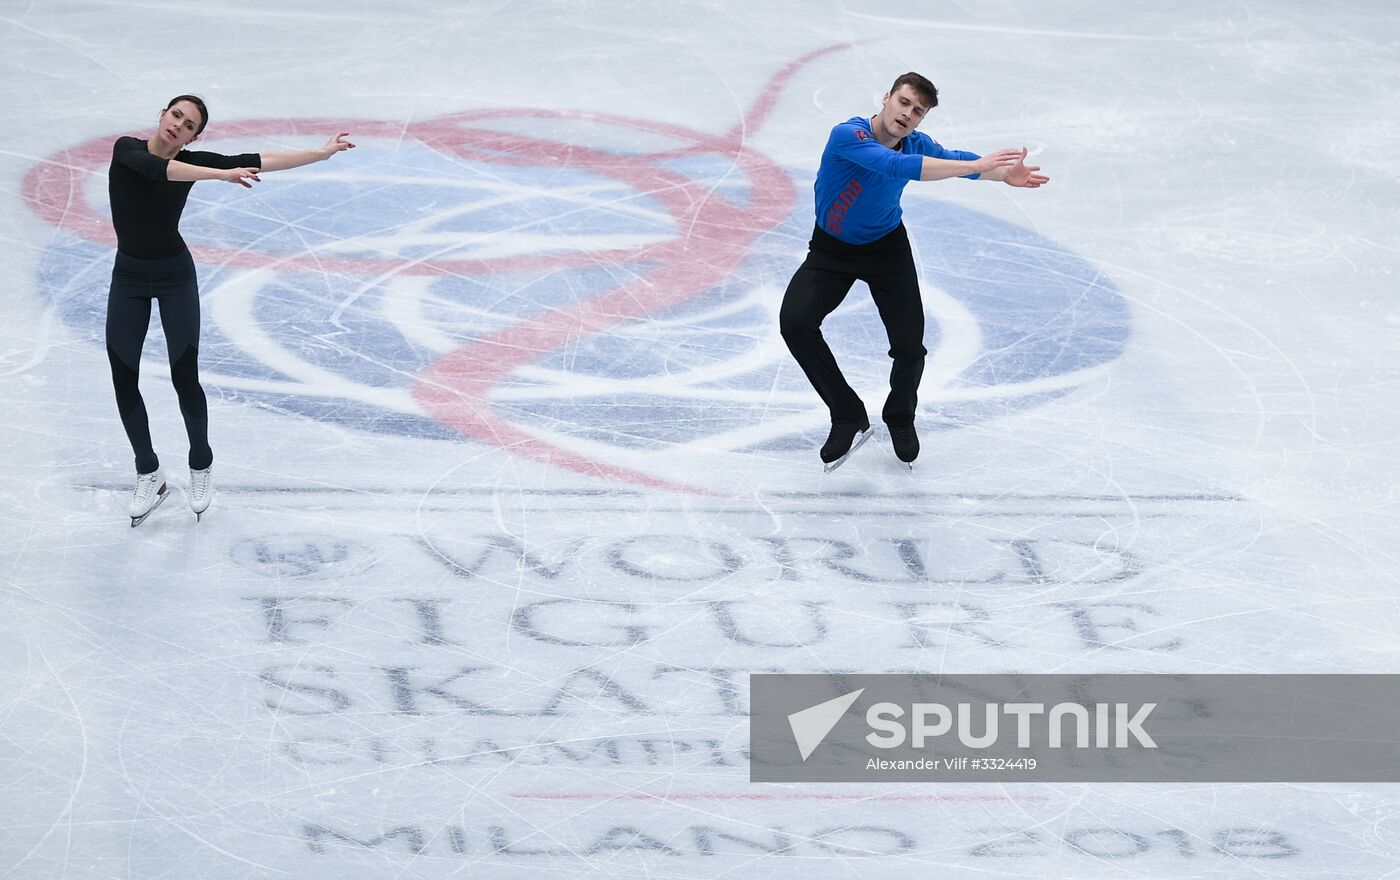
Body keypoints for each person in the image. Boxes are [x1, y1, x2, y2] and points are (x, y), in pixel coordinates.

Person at [779, 72, 1048, 470]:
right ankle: (847, 413)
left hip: (887, 249)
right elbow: (896, 166)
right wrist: (978, 164)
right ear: (887, 97)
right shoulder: (848, 136)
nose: (907, 114)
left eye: (918, 111)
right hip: (831, 250)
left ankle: (900, 416)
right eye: (904, 102)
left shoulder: (916, 144)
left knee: (909, 347)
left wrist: (1002, 175)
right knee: (795, 323)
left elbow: (956, 162)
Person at [107, 94, 354, 525]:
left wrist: (320, 153)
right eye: (176, 116)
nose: (178, 126)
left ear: (194, 137)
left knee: (186, 377)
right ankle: (149, 473)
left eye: (188, 126)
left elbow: (260, 159)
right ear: (162, 114)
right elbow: (160, 170)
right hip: (127, 278)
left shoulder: (193, 161)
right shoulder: (126, 150)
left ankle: (200, 464)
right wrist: (220, 174)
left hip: (174, 277)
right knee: (124, 377)